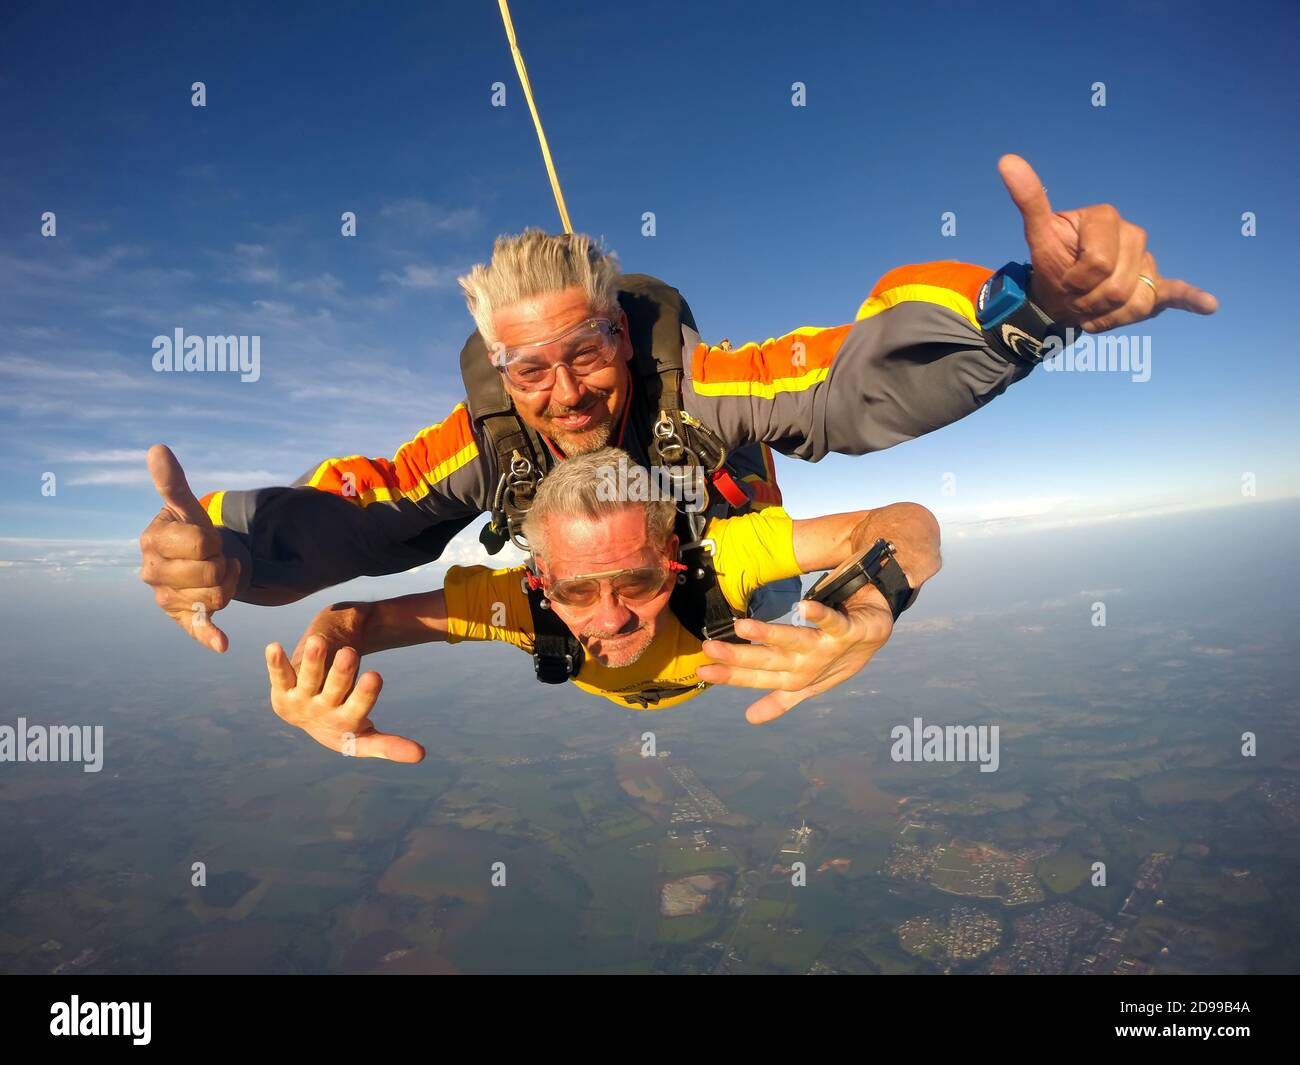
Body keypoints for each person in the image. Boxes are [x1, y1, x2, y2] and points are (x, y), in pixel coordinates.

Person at [142, 156, 1216, 663]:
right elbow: (365, 512)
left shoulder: (705, 387)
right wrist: (232, 551)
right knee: (551, 602)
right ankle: (592, 605)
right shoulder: (481, 444)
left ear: (624, 336)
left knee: (728, 575)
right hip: (588, 590)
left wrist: (1026, 310)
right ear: (499, 373)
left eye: (589, 351)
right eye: (530, 371)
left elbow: (847, 382)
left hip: (724, 562)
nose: (565, 395)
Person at [263, 449, 943, 760]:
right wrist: (316, 666)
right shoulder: (517, 604)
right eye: (577, 591)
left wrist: (869, 601)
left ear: (676, 559)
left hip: (736, 597)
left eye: (640, 582)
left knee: (777, 599)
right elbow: (360, 620)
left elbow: (904, 521)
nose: (610, 617)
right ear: (540, 581)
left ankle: (744, 479)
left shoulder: (719, 561)